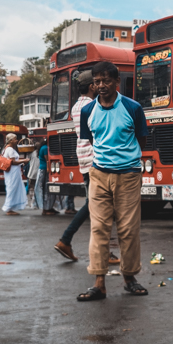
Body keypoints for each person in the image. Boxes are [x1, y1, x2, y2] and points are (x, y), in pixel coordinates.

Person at [76, 61, 150, 301]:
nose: (101, 86)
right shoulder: (88, 111)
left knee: (128, 230)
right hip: (99, 174)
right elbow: (92, 141)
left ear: (117, 82)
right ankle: (99, 283)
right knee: (99, 229)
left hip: (128, 176)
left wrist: (127, 161)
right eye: (96, 82)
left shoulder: (132, 108)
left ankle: (129, 277)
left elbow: (142, 141)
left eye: (106, 81)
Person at [56, 71, 118, 263]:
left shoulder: (76, 106)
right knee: (98, 206)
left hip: (84, 159)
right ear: (91, 86)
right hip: (96, 159)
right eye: (97, 83)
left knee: (97, 206)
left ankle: (98, 249)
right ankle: (67, 239)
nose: (101, 86)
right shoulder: (93, 106)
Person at [1, 133, 27, 215]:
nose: (17, 141)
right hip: (13, 172)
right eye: (15, 139)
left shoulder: (6, 149)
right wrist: (24, 160)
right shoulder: (10, 150)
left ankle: (11, 207)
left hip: (11, 172)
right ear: (11, 140)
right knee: (12, 189)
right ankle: (9, 208)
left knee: (12, 188)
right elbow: (13, 162)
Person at [35, 140, 48, 212]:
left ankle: (46, 208)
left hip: (41, 169)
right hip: (45, 169)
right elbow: (48, 160)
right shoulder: (46, 148)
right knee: (46, 189)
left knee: (42, 189)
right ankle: (46, 209)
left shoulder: (42, 147)